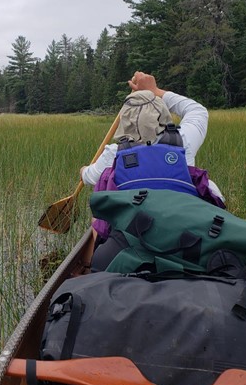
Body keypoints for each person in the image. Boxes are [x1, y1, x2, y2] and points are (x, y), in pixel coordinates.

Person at [81, 71, 225, 272]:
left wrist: (83, 170)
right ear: (162, 114)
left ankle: (93, 258)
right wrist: (156, 91)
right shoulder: (184, 141)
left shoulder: (113, 153)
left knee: (98, 210)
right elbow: (197, 110)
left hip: (131, 239)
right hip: (185, 236)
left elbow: (89, 177)